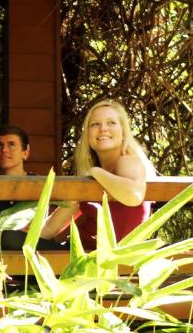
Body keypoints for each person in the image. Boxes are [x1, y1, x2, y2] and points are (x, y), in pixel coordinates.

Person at [39, 98, 154, 249]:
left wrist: (95, 172)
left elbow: (134, 195)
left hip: (107, 261)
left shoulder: (127, 160)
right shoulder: (94, 176)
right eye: (95, 124)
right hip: (81, 254)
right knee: (11, 239)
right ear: (88, 135)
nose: (103, 129)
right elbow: (48, 231)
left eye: (111, 123)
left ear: (124, 132)